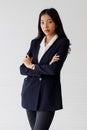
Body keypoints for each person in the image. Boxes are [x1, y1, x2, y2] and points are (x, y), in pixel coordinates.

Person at [20, 8, 70, 130]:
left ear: (56, 23)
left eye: (49, 22)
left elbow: (54, 70)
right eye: (42, 22)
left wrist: (32, 66)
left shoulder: (62, 43)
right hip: (30, 92)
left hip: (48, 94)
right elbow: (22, 69)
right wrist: (45, 67)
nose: (45, 25)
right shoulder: (35, 43)